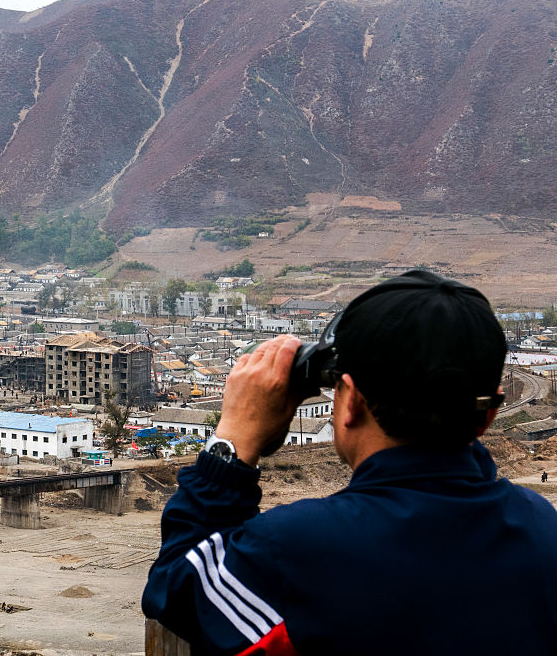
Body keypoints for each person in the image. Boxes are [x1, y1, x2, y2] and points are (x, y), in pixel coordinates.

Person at [142, 270, 557, 655]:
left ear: (351, 402)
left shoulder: (297, 547)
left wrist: (231, 442)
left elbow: (176, 587)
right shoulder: (543, 528)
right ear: (488, 415)